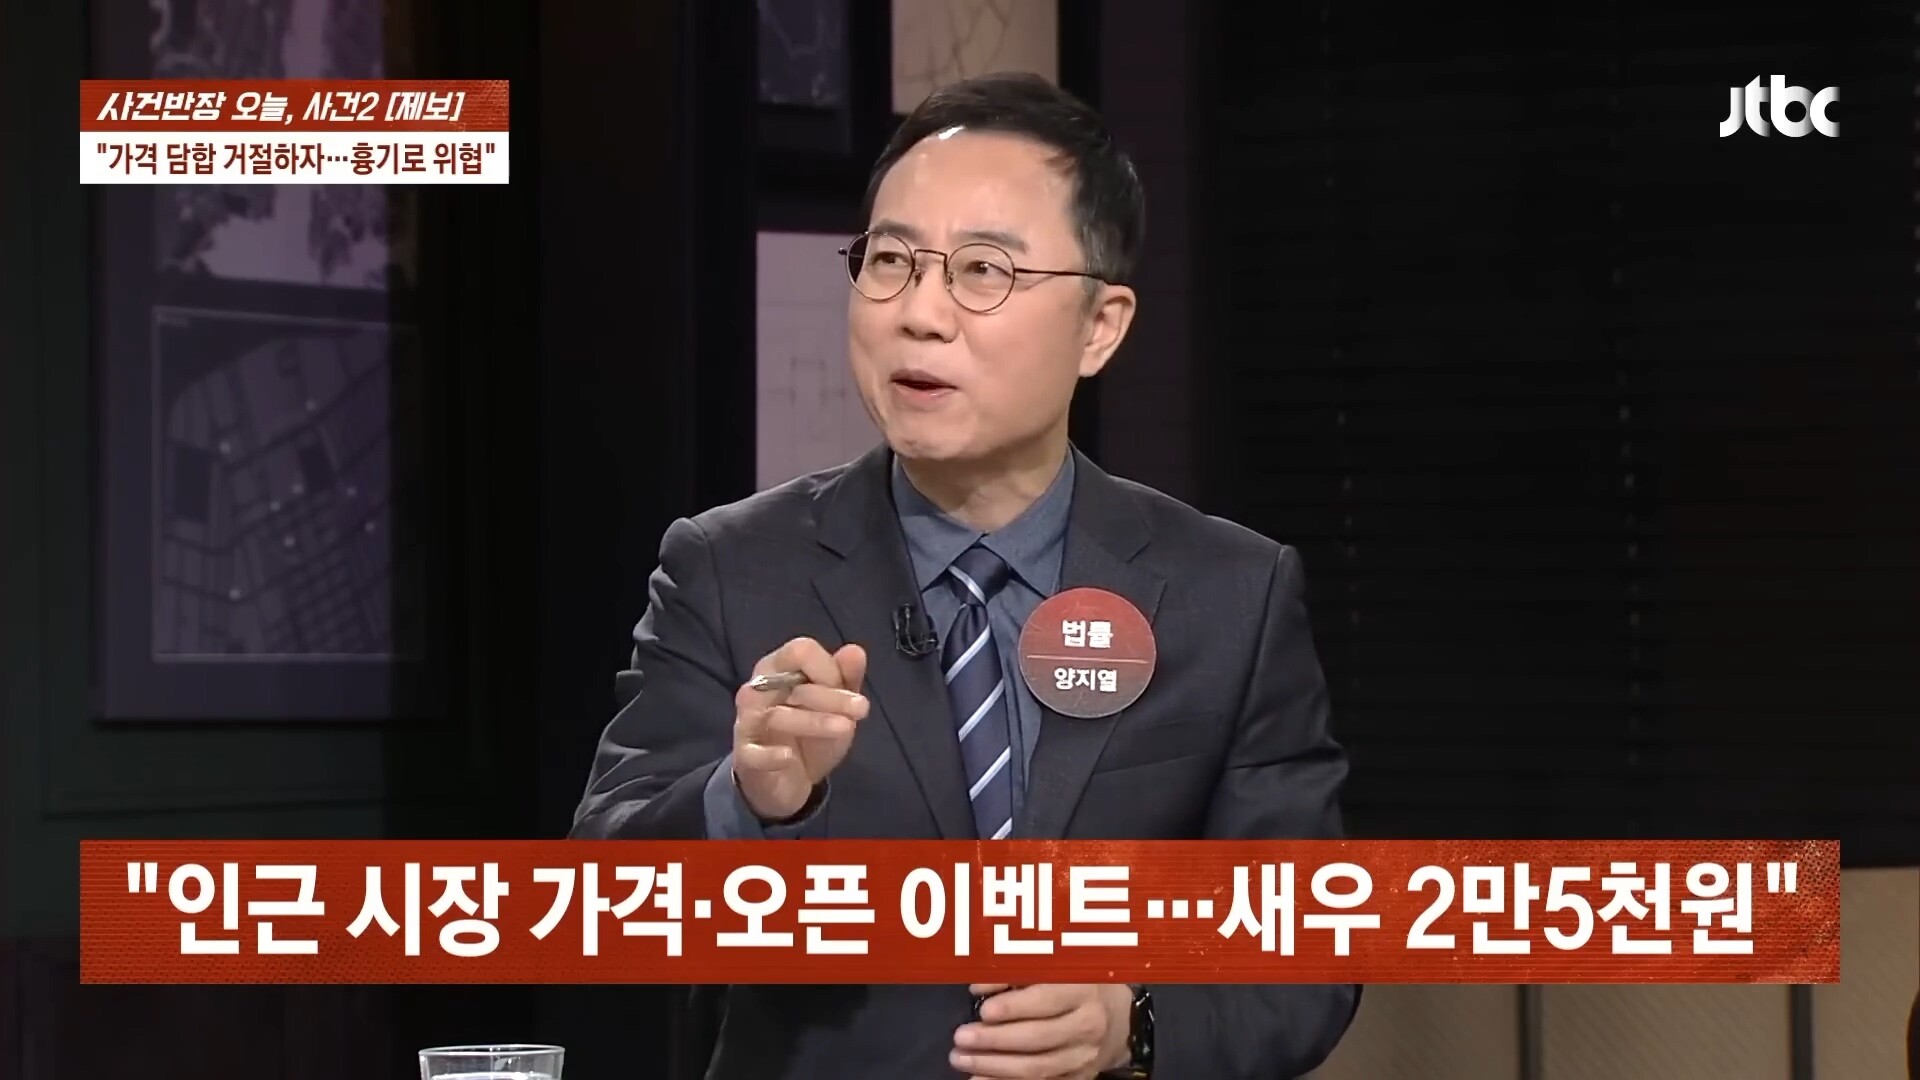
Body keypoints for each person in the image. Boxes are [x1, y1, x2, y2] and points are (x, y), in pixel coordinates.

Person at [571, 71, 1359, 1079]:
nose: (920, 313)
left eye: (983, 270)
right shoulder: (731, 569)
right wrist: (749, 800)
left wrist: (1132, 1020)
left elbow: (1307, 952)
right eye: (890, 261)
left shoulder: (1230, 595)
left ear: (1101, 326)